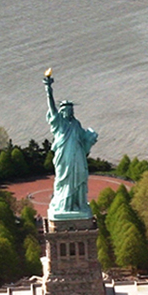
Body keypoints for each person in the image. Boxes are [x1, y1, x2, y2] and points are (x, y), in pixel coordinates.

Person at [43, 69, 98, 221]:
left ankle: (77, 204)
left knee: (80, 177)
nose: (69, 111)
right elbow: (52, 110)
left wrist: (91, 137)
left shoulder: (76, 123)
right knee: (64, 179)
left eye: (71, 109)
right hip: (64, 158)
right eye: (66, 109)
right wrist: (49, 90)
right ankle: (65, 206)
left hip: (78, 156)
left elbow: (83, 139)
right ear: (62, 111)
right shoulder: (59, 124)